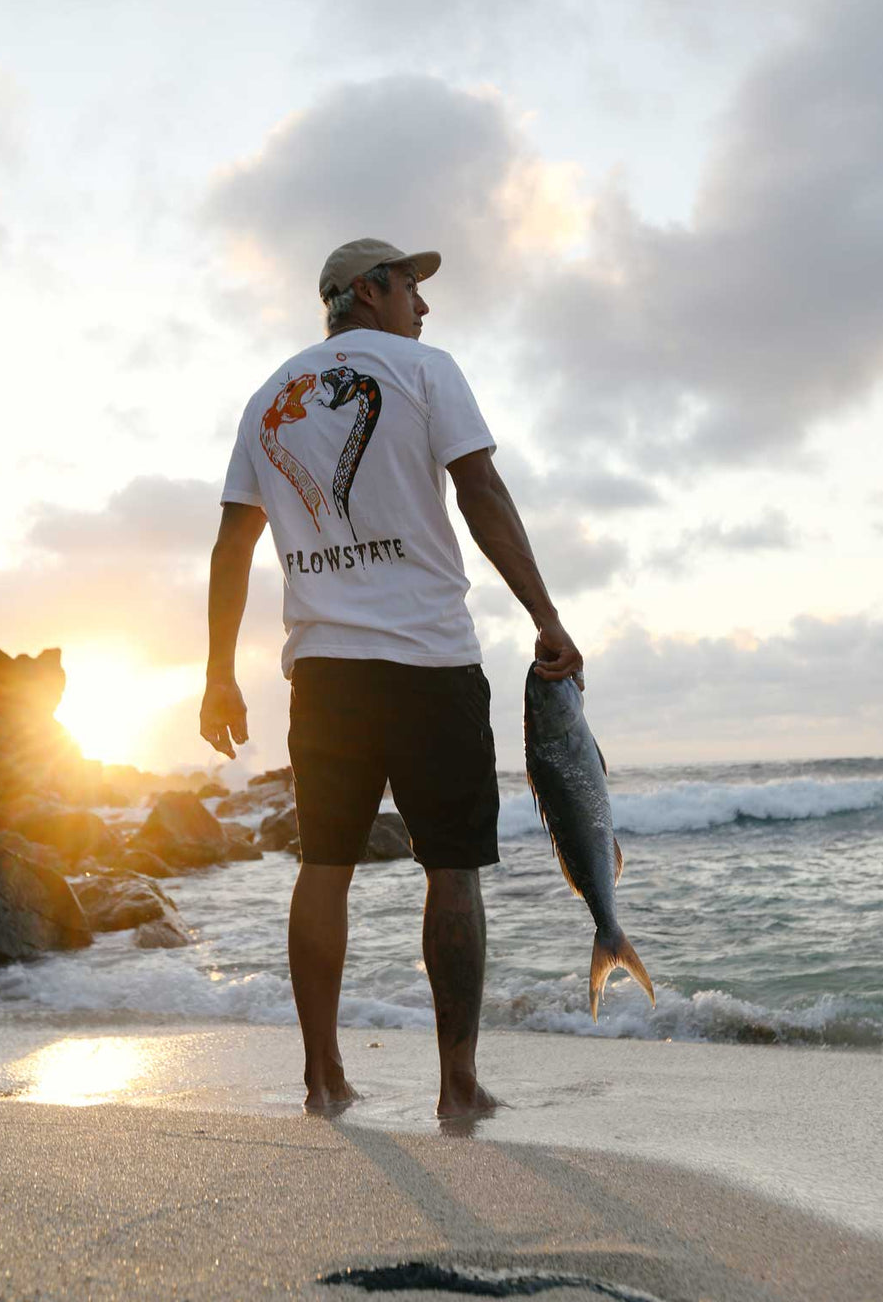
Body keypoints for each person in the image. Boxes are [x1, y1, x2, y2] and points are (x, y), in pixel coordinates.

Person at [199, 237, 583, 1116]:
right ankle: (456, 1086)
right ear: (368, 291)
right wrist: (545, 615)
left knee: (323, 865)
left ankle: (322, 1077)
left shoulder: (270, 399)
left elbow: (232, 543)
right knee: (452, 869)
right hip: (429, 660)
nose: (424, 304)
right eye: (412, 285)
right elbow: (481, 491)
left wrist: (218, 674)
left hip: (325, 671)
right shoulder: (424, 369)